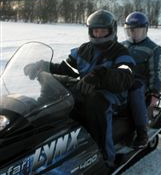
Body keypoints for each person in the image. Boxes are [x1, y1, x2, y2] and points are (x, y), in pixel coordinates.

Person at [24, 9, 136, 169]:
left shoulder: (120, 52)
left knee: (97, 104)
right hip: (86, 89)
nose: (98, 35)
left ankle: (106, 156)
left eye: (103, 31)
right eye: (95, 31)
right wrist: (44, 66)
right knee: (55, 93)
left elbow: (126, 75)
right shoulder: (84, 49)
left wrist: (101, 76)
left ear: (111, 31)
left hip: (113, 95)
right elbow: (66, 68)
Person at [122, 11, 161, 148]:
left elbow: (155, 71)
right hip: (122, 77)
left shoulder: (153, 48)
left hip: (140, 81)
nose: (133, 33)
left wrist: (154, 92)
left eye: (137, 31)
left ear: (145, 30)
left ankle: (142, 132)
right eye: (130, 31)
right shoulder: (122, 45)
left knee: (135, 93)